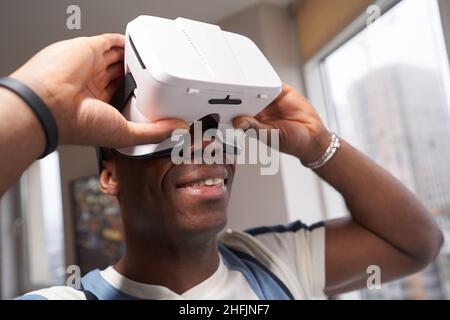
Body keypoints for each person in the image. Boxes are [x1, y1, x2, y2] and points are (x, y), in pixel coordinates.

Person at [0, 34, 443, 300]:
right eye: (169, 130)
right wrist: (42, 107)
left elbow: (417, 243)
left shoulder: (275, 263)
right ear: (111, 175)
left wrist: (317, 144)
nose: (204, 146)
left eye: (216, 130)